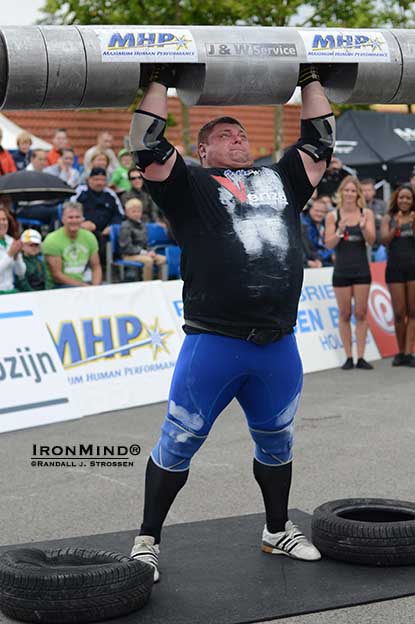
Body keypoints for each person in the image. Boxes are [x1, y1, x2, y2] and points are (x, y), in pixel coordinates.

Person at [127, 62, 336, 581]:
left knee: (278, 442)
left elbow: (320, 139)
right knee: (177, 442)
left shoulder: (279, 177)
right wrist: (159, 80)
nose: (236, 137)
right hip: (215, 341)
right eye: (222, 134)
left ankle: (276, 529)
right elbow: (147, 143)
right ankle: (147, 539)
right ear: (201, 151)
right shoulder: (190, 185)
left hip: (277, 344)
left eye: (241, 133)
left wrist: (309, 77)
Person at [325, 176, 376, 370]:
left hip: (362, 269)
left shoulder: (366, 213)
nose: (349, 194)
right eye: (346, 190)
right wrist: (339, 231)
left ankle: (361, 357)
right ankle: (348, 357)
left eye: (353, 191)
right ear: (341, 193)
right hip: (342, 271)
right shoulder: (333, 216)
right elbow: (328, 244)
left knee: (361, 313)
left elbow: (372, 241)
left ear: (358, 194)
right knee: (344, 313)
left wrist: (363, 228)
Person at [380, 184, 415, 367]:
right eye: (402, 197)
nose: (405, 201)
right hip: (394, 269)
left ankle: (409, 352)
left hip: (413, 269)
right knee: (399, 313)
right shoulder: (389, 218)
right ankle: (400, 352)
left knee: (413, 312)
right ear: (396, 198)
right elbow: (383, 240)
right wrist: (397, 227)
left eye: (408, 198)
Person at [42, 202, 102, 288]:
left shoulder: (90, 237)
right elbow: (57, 276)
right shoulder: (52, 240)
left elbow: (96, 266)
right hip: (59, 286)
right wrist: (84, 287)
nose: (74, 221)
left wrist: (95, 287)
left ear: (82, 219)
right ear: (63, 219)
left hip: (82, 282)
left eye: (77, 217)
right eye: (70, 217)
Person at [71, 167, 124, 263]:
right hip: (85, 228)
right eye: (96, 179)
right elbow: (70, 209)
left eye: (102, 180)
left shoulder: (110, 194)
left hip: (106, 231)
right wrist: (82, 221)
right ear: (89, 180)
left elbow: (119, 214)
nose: (99, 183)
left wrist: (111, 227)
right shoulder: (80, 191)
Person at [119, 198, 167, 281]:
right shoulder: (125, 226)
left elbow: (146, 243)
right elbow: (127, 247)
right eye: (133, 211)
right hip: (128, 255)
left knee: (163, 259)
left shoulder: (143, 225)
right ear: (127, 213)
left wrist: (151, 252)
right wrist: (145, 253)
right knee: (148, 261)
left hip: (143, 253)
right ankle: (147, 285)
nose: (136, 214)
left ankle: (161, 284)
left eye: (138, 211)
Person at [301, 196, 334, 267]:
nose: (319, 214)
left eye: (322, 212)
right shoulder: (303, 225)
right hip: (309, 264)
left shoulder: (327, 223)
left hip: (324, 262)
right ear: (310, 209)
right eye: (316, 211)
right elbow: (309, 250)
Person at [0, 204, 25, 294]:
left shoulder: (11, 241)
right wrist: (10, 254)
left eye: (4, 219)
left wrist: (17, 257)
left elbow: (20, 273)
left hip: (11, 291)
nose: (2, 223)